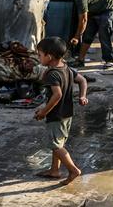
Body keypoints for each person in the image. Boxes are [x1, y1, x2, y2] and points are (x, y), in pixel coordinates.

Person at [33, 37, 88, 186]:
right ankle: (54, 170)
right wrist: (82, 96)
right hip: (67, 114)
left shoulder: (52, 74)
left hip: (56, 115)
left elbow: (57, 95)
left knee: (55, 146)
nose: (38, 58)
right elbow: (82, 80)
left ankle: (73, 170)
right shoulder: (66, 67)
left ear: (49, 56)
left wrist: (44, 112)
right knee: (58, 142)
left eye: (40, 55)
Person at [58, 0, 113, 69]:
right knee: (87, 36)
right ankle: (80, 60)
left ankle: (109, 60)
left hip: (108, 10)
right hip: (96, 11)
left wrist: (77, 37)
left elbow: (83, 20)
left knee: (104, 35)